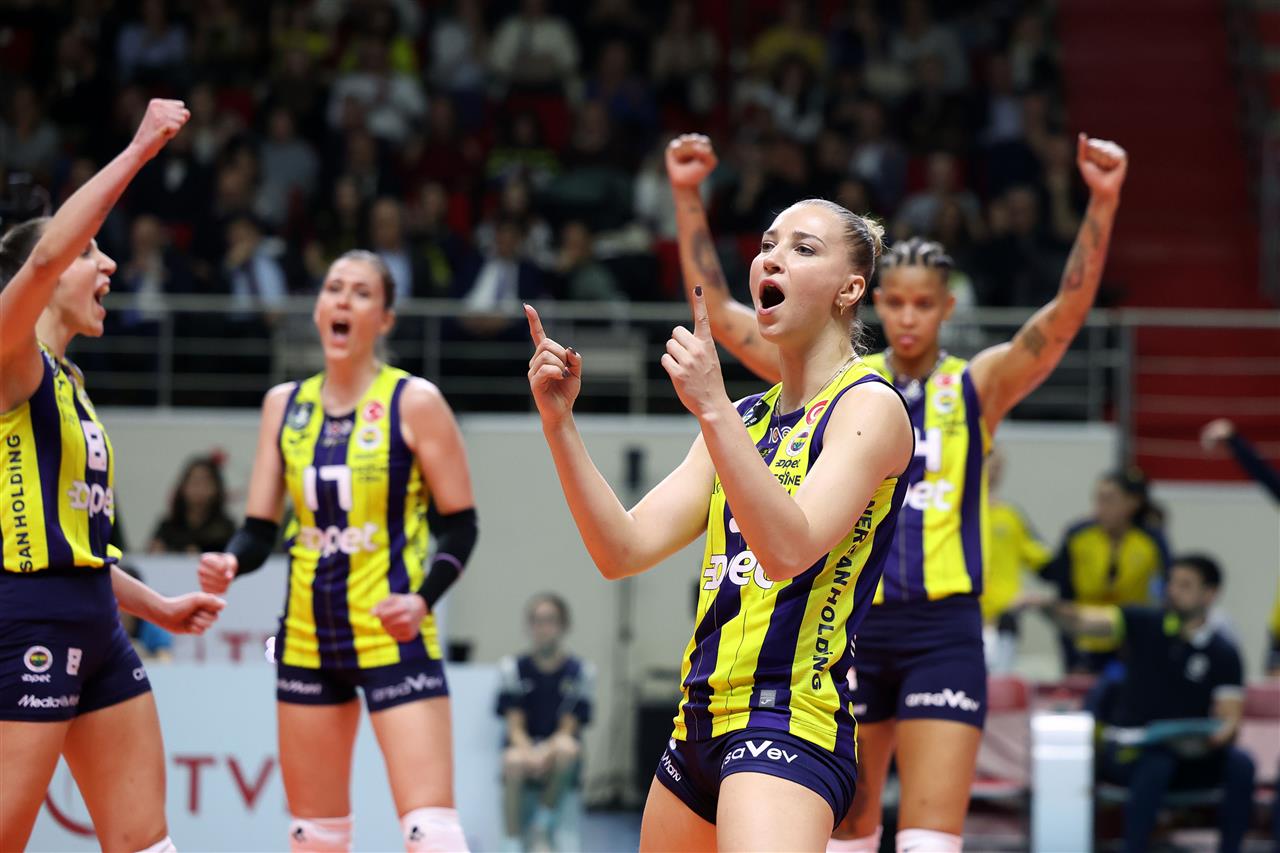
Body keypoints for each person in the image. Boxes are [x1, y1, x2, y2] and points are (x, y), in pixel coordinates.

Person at [663, 131, 1127, 851]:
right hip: (852, 627)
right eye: (898, 303)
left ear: (947, 309)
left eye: (924, 305)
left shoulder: (976, 384)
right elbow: (722, 314)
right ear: (872, 298)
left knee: (929, 837)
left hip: (942, 626)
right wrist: (689, 198)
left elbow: (1063, 318)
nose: (909, 319)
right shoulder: (839, 380)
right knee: (847, 831)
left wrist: (1100, 203)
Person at [526, 195, 915, 848]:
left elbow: (787, 550)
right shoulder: (745, 417)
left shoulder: (869, 405)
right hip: (698, 723)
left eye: (803, 248)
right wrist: (559, 425)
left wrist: (710, 406)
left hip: (789, 722)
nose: (773, 257)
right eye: (767, 244)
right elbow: (621, 550)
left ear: (850, 289)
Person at [197, 250, 479, 851]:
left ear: (386, 318)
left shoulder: (414, 401)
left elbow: (461, 527)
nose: (343, 300)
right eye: (333, 288)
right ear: (319, 307)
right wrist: (231, 560)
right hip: (307, 638)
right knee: (314, 836)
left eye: (361, 292)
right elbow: (258, 529)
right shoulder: (284, 405)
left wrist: (422, 600)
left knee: (431, 832)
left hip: (391, 634)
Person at [0, 98, 225, 852]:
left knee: (146, 841)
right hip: (28, 619)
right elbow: (42, 258)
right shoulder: (9, 360)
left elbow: (79, 542)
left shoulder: (70, 382)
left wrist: (157, 607)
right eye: (89, 253)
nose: (108, 266)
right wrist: (138, 150)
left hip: (96, 621)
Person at [1044, 555, 1254, 853]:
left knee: (1241, 765)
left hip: (1189, 755)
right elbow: (1081, 624)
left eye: (1185, 585)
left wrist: (1212, 738)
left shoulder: (1224, 652)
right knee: (1157, 762)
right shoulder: (1142, 623)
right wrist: (1048, 607)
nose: (1173, 591)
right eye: (1171, 582)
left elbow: (1230, 719)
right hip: (1130, 754)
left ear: (1210, 594)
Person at [1042, 469, 1169, 674]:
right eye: (1098, 499)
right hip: (1084, 636)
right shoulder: (1078, 535)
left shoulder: (1151, 540)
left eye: (1109, 500)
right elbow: (1064, 591)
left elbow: (1165, 589)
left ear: (1133, 503)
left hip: (1131, 637)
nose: (1100, 508)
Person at [496, 593, 594, 850]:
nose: (543, 628)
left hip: (557, 752)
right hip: (525, 748)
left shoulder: (579, 672)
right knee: (512, 759)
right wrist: (531, 754)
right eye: (537, 621)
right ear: (529, 626)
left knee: (567, 748)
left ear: (563, 626)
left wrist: (544, 754)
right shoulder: (513, 669)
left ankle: (542, 824)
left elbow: (568, 728)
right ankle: (511, 843)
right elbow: (514, 727)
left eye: (550, 621)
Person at [979, 447, 1051, 674]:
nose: (994, 472)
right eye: (989, 464)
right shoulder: (950, 513)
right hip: (961, 618)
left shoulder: (1011, 516)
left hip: (1003, 621)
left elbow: (1045, 562)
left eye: (999, 467)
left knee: (998, 686)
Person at [149, 455, 236, 554]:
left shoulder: (225, 528)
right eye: (195, 482)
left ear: (216, 488)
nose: (199, 489)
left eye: (206, 483)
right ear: (183, 487)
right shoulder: (169, 525)